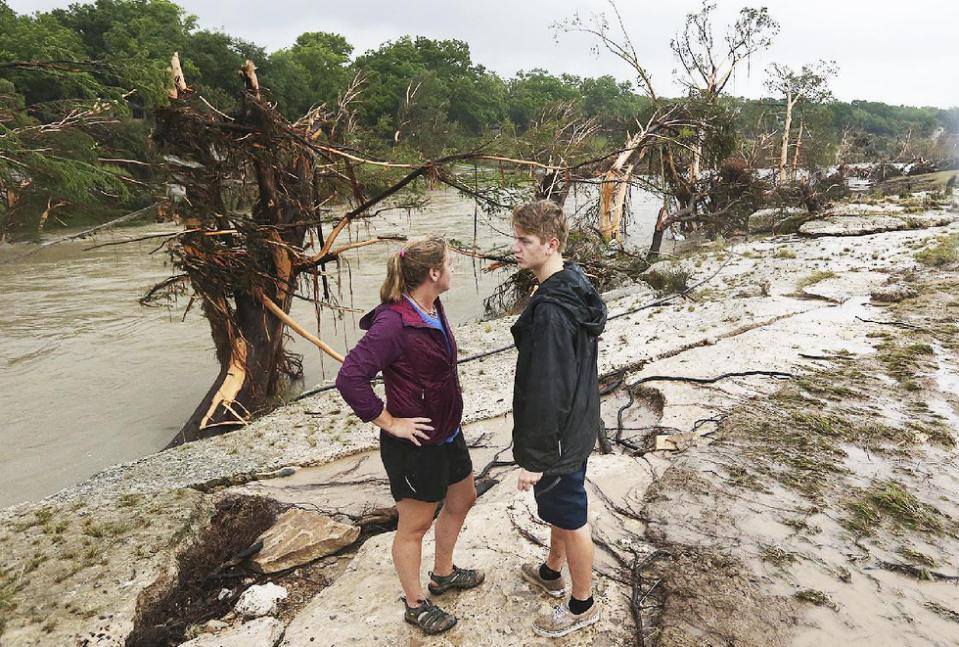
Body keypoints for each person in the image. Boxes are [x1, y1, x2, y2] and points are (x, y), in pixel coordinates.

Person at [335, 237, 484, 636]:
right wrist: (391, 422)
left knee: (463, 497)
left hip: (447, 431)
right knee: (414, 525)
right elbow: (350, 378)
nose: (452, 271)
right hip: (414, 443)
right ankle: (416, 603)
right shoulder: (393, 323)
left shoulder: (432, 307)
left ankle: (443, 573)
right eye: (449, 265)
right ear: (433, 274)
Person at [509, 200, 608, 638]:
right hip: (580, 422)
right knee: (559, 507)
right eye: (515, 238)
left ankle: (582, 603)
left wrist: (537, 458)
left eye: (524, 241)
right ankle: (552, 571)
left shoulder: (552, 310)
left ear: (550, 245)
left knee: (571, 515)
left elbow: (549, 388)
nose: (515, 248)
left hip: (561, 436)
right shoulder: (574, 282)